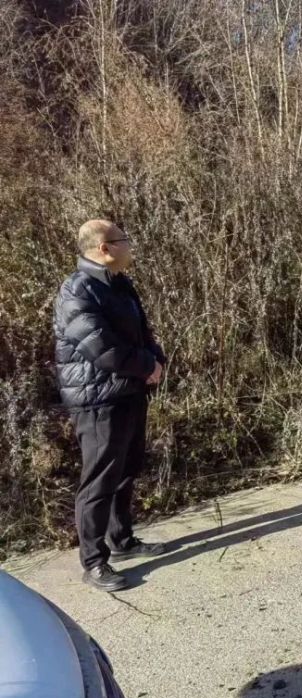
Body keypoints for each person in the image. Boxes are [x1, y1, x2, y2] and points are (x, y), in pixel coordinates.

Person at [53, 220, 167, 592]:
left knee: (127, 468)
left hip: (128, 391)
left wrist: (155, 360)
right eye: (124, 240)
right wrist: (146, 365)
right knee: (99, 479)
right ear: (104, 248)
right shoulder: (77, 290)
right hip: (97, 398)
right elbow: (101, 347)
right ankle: (94, 561)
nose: (131, 246)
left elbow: (142, 333)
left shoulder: (119, 284)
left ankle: (122, 539)